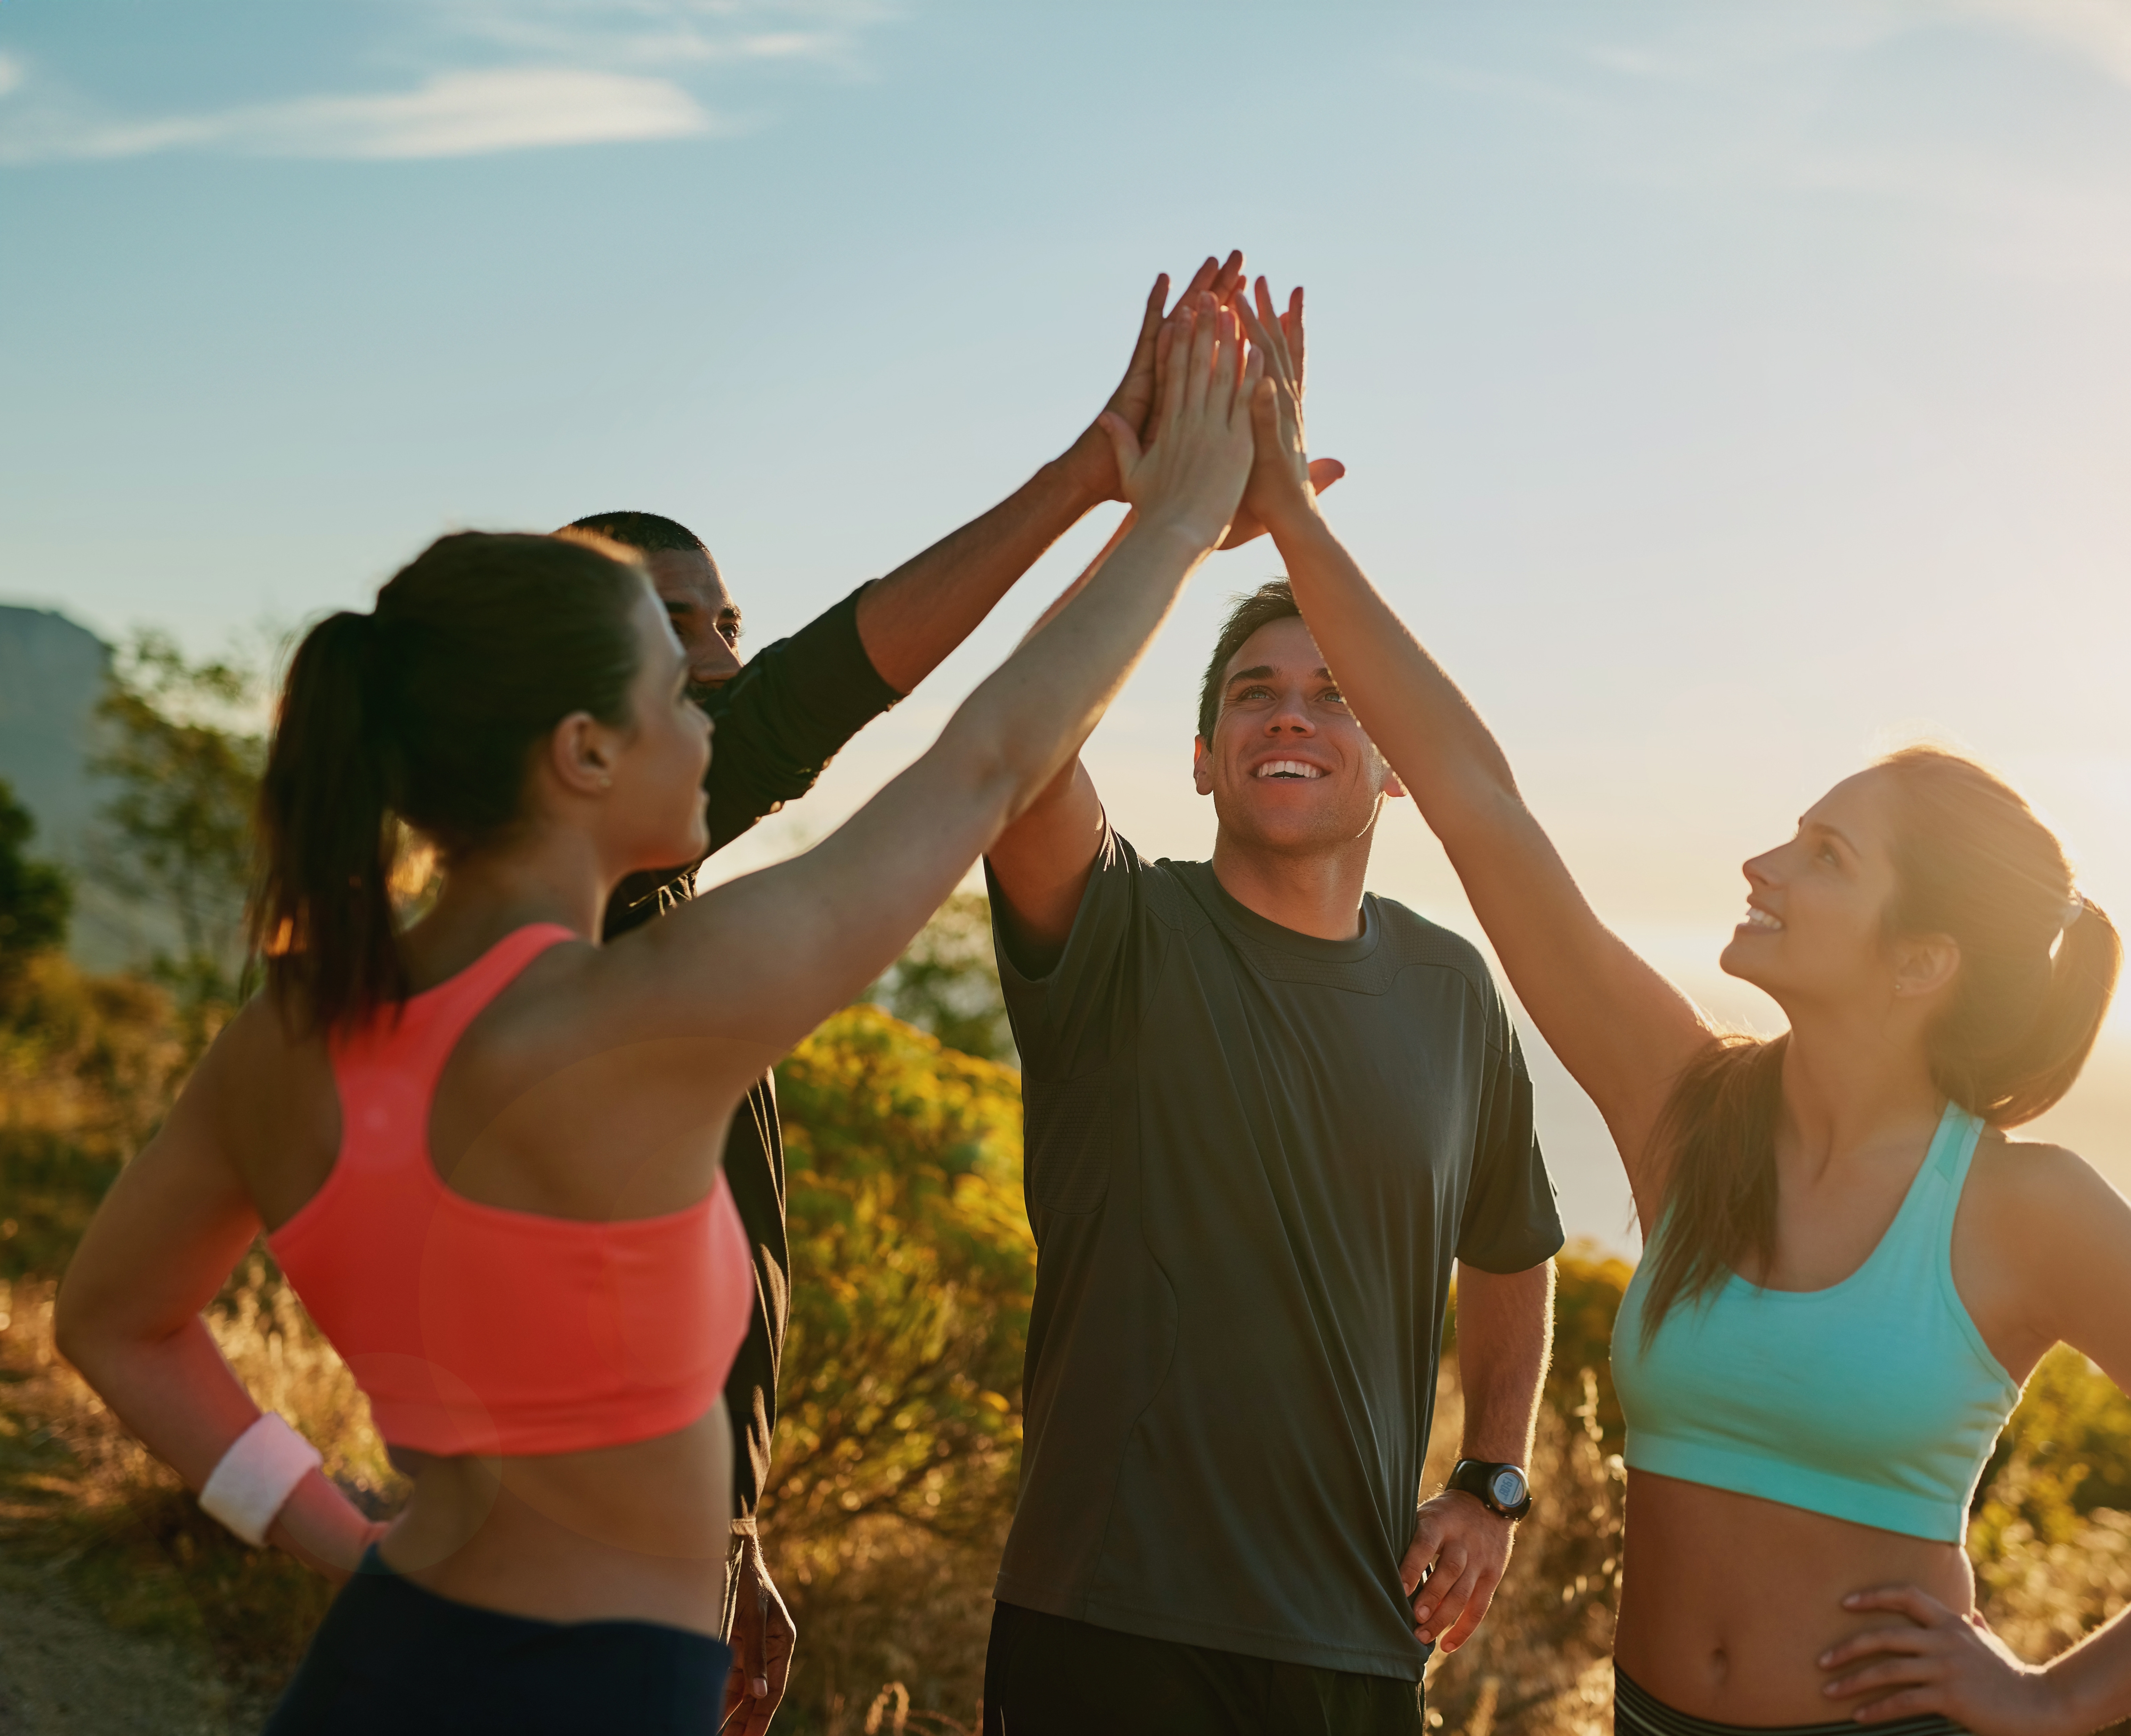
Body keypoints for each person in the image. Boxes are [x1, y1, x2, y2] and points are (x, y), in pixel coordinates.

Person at [50, 295, 1265, 1735]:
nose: (715, 719)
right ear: (582, 752)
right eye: (673, 691)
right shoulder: (634, 1018)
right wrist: (1175, 518)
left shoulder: (292, 1023)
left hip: (381, 1665)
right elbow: (991, 764)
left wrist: (333, 1529)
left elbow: (115, 1325)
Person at [1227, 284, 2131, 1736]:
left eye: (1826, 858)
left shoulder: (2028, 1211)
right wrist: (1296, 527)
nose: (1762, 865)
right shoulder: (1688, 1111)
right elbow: (1483, 809)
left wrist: (2055, 1699)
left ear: (1921, 960)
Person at [554, 250, 1343, 1731]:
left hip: (654, 1571)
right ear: (567, 688)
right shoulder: (591, 942)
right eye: (684, 629)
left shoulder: (630, 902)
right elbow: (927, 734)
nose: (729, 665)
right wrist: (1156, 511)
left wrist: (734, 1531)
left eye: (733, 624)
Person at [975, 283, 1565, 1736]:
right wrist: (1164, 515)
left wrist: (1493, 1476)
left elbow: (1512, 1249)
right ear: (1200, 757)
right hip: (1100, 1623)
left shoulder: (1453, 989)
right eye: (1252, 693)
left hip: (1356, 1646)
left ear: (1400, 762)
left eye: (1333, 693)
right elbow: (1019, 744)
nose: (1291, 713)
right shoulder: (1118, 928)